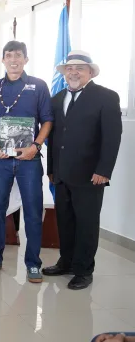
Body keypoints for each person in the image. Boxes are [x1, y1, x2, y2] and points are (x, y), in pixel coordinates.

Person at [43, 50, 122, 290]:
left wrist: (104, 170)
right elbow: (54, 138)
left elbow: (112, 137)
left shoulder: (106, 97)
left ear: (90, 72)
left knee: (86, 224)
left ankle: (84, 270)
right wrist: (51, 168)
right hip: (61, 173)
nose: (74, 72)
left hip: (90, 175)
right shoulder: (57, 98)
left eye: (79, 68)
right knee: (65, 222)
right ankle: (66, 262)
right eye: (69, 68)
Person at [0, 41, 53, 283]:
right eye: (9, 55)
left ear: (26, 59)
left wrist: (35, 147)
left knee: (32, 211)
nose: (13, 59)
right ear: (3, 59)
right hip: (1, 161)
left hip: (29, 160)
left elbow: (47, 121)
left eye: (18, 55)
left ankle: (33, 263)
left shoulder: (39, 86)